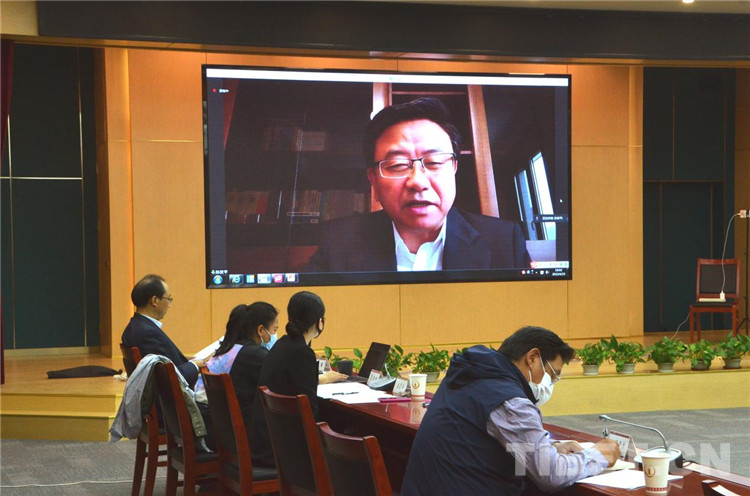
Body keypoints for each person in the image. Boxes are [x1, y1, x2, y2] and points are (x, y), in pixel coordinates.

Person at [305, 97, 530, 273]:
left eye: (433, 162)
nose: (418, 182)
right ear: (373, 180)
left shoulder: (503, 241)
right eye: (397, 165)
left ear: (453, 168)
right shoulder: (338, 243)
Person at [400, 326, 619, 496]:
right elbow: (550, 474)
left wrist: (551, 447)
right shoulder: (509, 400)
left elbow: (480, 440)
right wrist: (600, 455)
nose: (551, 384)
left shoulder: (469, 374)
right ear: (532, 358)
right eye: (553, 374)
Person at [247, 291, 347, 467]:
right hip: (281, 451)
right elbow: (309, 411)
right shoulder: (301, 353)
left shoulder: (282, 344)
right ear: (320, 322)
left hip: (264, 442)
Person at [191, 302, 278, 450]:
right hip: (228, 436)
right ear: (260, 330)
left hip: (210, 427)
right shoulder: (254, 354)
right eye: (274, 329)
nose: (275, 335)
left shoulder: (229, 347)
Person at [121, 274, 202, 388]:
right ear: (155, 300)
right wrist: (194, 366)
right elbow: (167, 378)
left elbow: (163, 363)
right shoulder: (148, 333)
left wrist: (184, 361)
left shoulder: (135, 326)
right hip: (171, 397)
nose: (169, 305)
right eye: (168, 299)